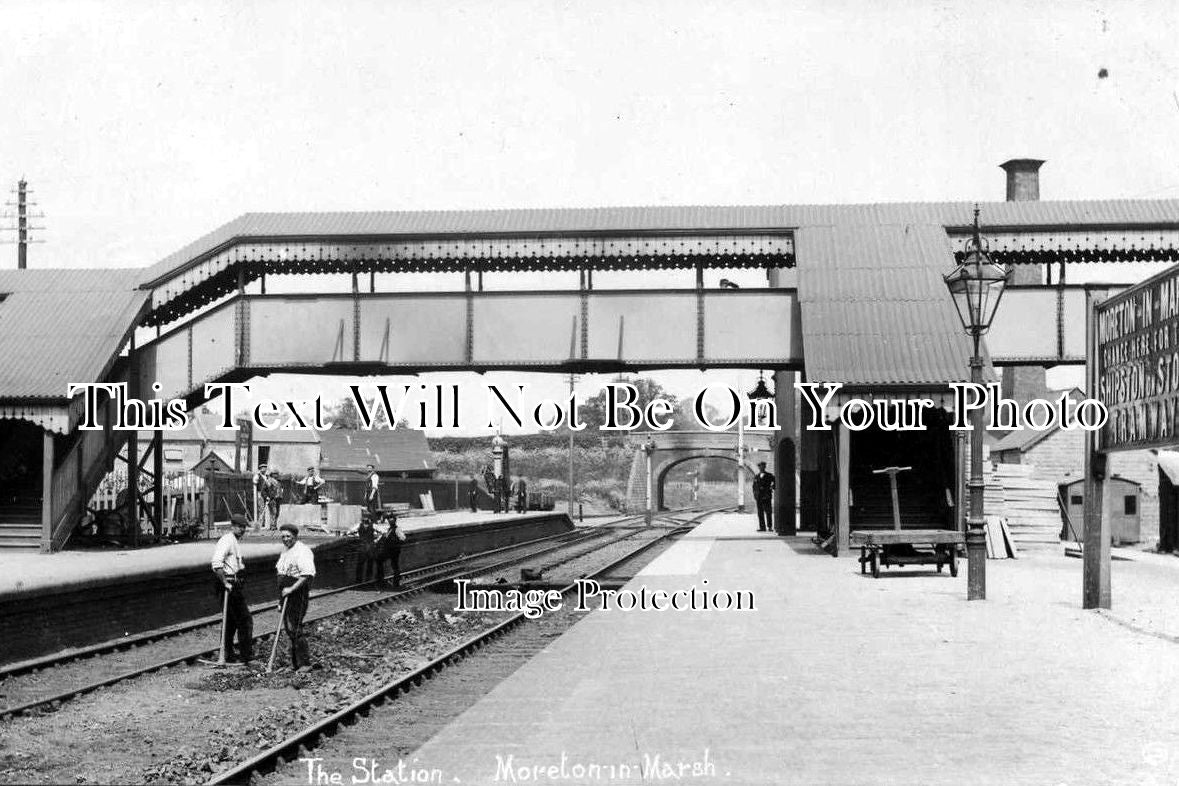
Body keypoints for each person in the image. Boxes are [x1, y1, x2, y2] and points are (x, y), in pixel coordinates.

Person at [210, 514, 252, 665]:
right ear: (232, 526)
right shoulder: (226, 540)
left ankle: (227, 654)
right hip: (227, 584)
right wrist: (225, 583)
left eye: (244, 527)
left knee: (231, 622)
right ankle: (246, 656)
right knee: (245, 619)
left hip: (233, 583)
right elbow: (216, 564)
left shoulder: (234, 541)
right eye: (240, 527)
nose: (242, 530)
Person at [276, 523, 316, 671]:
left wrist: (291, 589)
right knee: (289, 629)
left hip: (297, 594)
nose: (286, 539)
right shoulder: (286, 551)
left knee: (295, 628)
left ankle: (304, 663)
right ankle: (293, 664)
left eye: (288, 536)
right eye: (283, 537)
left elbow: (306, 575)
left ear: (295, 536)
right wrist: (280, 600)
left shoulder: (303, 551)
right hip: (286, 594)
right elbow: (281, 574)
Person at [379, 512, 406, 589]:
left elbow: (403, 538)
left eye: (391, 518)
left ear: (394, 520)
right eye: (389, 519)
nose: (390, 520)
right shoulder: (389, 529)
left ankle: (396, 583)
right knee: (383, 562)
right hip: (389, 550)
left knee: (395, 566)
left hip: (394, 550)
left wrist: (396, 543)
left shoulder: (397, 529)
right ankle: (384, 580)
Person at [355, 512, 382, 587]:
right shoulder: (359, 526)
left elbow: (382, 533)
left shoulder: (373, 526)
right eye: (364, 518)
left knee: (368, 563)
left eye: (366, 518)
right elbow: (350, 531)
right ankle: (359, 581)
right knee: (361, 564)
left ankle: (367, 580)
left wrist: (376, 540)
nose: (365, 519)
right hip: (364, 546)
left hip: (369, 546)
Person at [753, 461, 776, 533]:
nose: (761, 467)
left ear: (765, 467)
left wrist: (772, 487)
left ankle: (769, 526)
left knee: (768, 512)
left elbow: (776, 482)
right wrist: (755, 494)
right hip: (759, 497)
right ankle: (762, 527)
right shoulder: (756, 476)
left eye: (762, 466)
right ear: (759, 467)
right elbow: (754, 486)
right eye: (760, 466)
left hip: (766, 496)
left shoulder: (769, 475)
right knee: (760, 512)